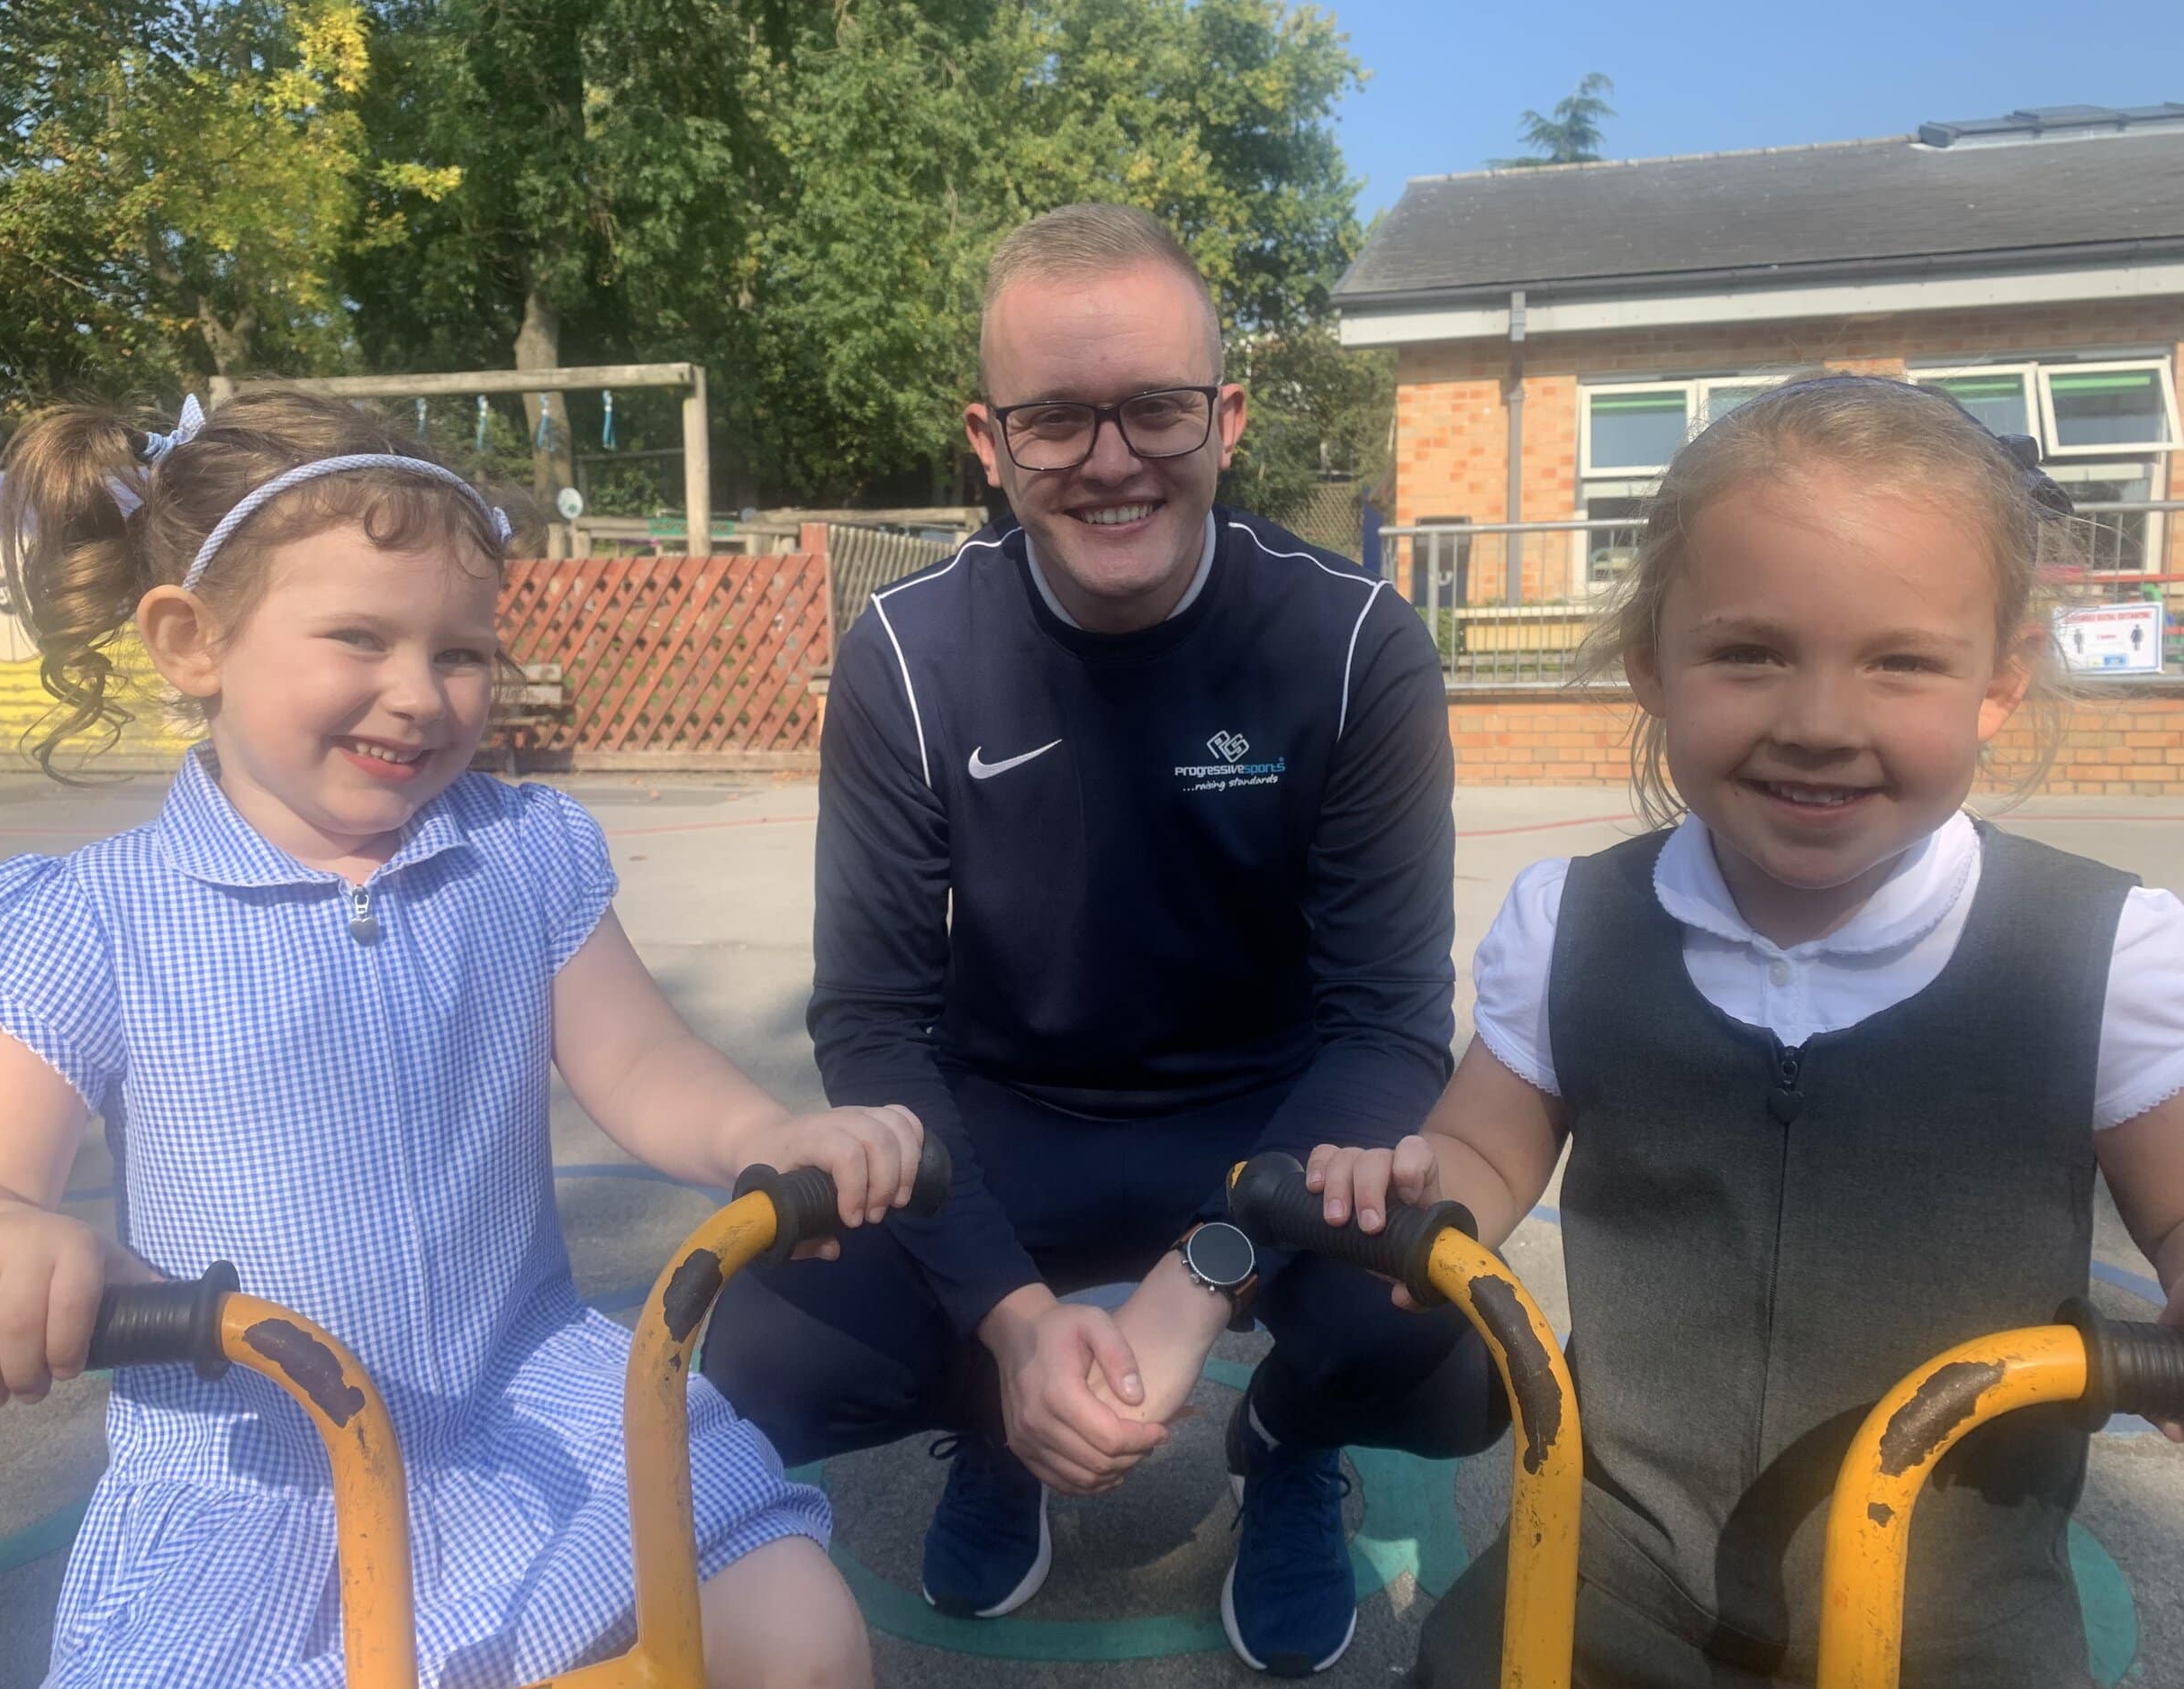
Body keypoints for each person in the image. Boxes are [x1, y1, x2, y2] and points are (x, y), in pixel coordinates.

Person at [0, 390, 927, 1689]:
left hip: (535, 1405)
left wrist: (771, 1135)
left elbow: (636, 1063)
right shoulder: (95, 922)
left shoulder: (517, 855)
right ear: (191, 641)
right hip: (257, 1469)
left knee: (800, 1638)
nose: (419, 695)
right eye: (359, 636)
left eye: (461, 653)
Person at [701, 203, 1505, 1677]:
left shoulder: (1350, 644)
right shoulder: (911, 652)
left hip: (1272, 1127)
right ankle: (1011, 1418)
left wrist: (1206, 1275)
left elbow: (1389, 1023)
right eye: (1056, 418)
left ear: (1229, 418)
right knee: (769, 1347)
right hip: (1010, 1120)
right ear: (989, 441)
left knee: (1445, 1353)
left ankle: (1285, 1440)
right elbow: (871, 1018)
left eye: (1154, 407)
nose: (1113, 457)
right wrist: (1008, 1318)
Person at [1306, 375, 2184, 1687]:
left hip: (1959, 1622)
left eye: (1900, 662)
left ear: (2000, 680)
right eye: (1751, 652)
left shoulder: (2099, 953)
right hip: (1605, 1572)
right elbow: (1485, 1153)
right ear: (1654, 661)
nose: (1819, 723)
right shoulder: (1576, 925)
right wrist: (1429, 1192)